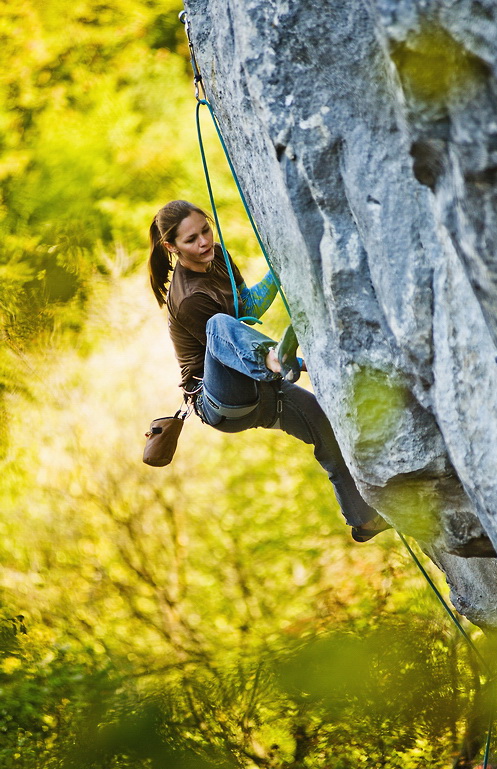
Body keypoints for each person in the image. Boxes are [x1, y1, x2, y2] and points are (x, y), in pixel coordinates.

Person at [147, 199, 389, 541]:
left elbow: (247, 305)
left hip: (260, 392)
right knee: (219, 325)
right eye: (191, 240)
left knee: (325, 427)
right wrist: (276, 362)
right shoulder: (188, 298)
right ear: (172, 247)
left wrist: (279, 271)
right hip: (221, 399)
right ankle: (276, 360)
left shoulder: (218, 256)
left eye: (205, 231)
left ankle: (364, 520)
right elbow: (224, 343)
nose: (204, 243)